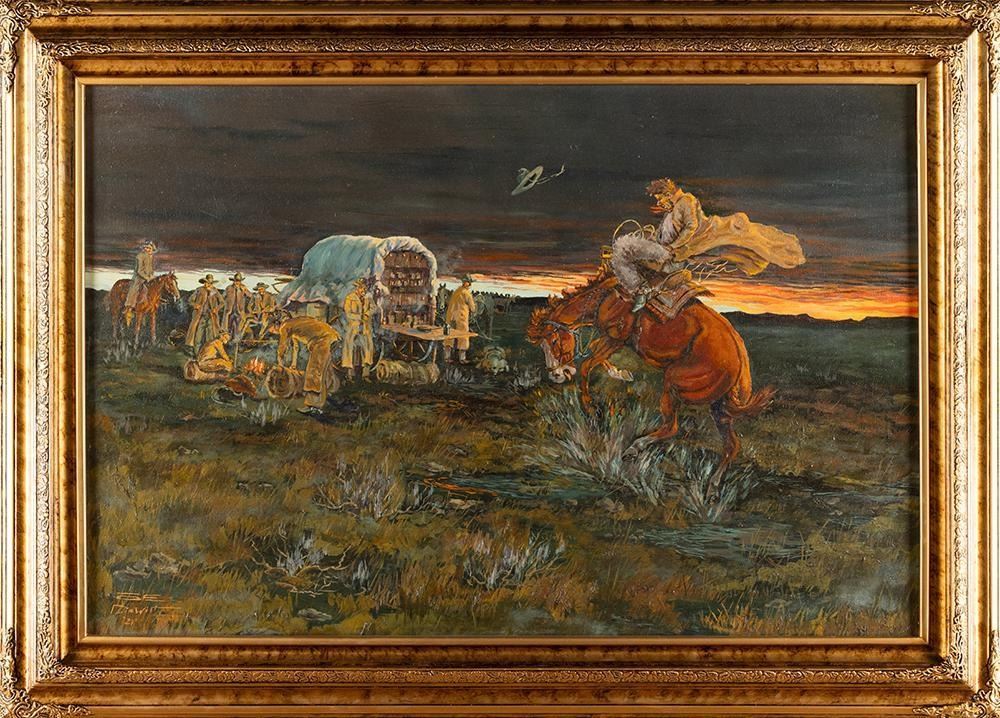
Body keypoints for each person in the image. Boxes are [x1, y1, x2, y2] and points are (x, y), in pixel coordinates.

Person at [611, 178, 805, 312]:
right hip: (665, 250)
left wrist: (672, 247)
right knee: (624, 249)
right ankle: (641, 288)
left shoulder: (686, 201)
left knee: (623, 250)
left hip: (669, 254)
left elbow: (691, 227)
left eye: (660, 197)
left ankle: (641, 290)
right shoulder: (675, 207)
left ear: (667, 192)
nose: (660, 201)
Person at [272, 315, 340, 415]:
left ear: (276, 325)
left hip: (322, 340)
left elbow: (283, 346)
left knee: (313, 372)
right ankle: (329, 395)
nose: (273, 332)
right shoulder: (294, 323)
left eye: (272, 330)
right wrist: (293, 364)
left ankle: (313, 406)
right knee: (326, 371)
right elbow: (295, 347)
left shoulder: (285, 326)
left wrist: (280, 361)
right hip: (331, 336)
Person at [341, 278, 375, 380]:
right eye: (361, 288)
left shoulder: (368, 298)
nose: (363, 290)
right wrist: (359, 317)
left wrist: (367, 314)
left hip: (365, 328)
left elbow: (374, 308)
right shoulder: (350, 298)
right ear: (357, 288)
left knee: (367, 349)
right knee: (350, 349)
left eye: (364, 288)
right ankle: (350, 374)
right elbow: (348, 313)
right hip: (353, 327)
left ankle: (366, 374)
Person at [185, 274, 225, 354]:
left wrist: (216, 309)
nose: (208, 285)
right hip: (200, 317)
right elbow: (190, 300)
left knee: (210, 338)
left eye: (210, 283)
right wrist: (196, 305)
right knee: (198, 337)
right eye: (207, 283)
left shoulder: (214, 291)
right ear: (204, 282)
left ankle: (208, 354)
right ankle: (197, 354)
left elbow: (222, 302)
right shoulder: (199, 290)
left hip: (211, 317)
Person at [124, 241, 157, 327]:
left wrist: (152, 275)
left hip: (148, 277)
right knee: (135, 288)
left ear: (152, 249)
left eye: (149, 248)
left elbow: (150, 269)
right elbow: (139, 271)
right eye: (146, 248)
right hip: (139, 277)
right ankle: (129, 307)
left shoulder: (151, 257)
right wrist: (147, 277)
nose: (147, 249)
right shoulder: (140, 256)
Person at [444, 275, 476, 364]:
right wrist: (473, 310)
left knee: (449, 336)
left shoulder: (456, 291)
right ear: (467, 283)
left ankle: (447, 357)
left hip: (451, 317)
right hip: (461, 318)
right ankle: (462, 359)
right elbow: (473, 308)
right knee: (463, 336)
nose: (470, 284)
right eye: (469, 283)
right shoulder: (467, 293)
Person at [222, 272, 252, 340]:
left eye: (239, 281)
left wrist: (244, 290)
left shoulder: (243, 288)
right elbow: (223, 297)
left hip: (239, 311)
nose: (237, 282)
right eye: (236, 281)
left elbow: (250, 296)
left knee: (238, 328)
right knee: (228, 327)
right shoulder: (228, 288)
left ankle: (236, 341)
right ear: (233, 281)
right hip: (229, 311)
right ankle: (227, 340)